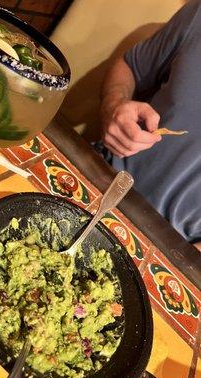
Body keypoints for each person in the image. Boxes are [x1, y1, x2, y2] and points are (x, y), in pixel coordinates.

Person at [97, 0, 201, 250]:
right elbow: (131, 67)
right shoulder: (197, 14)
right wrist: (114, 108)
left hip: (178, 249)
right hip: (102, 176)